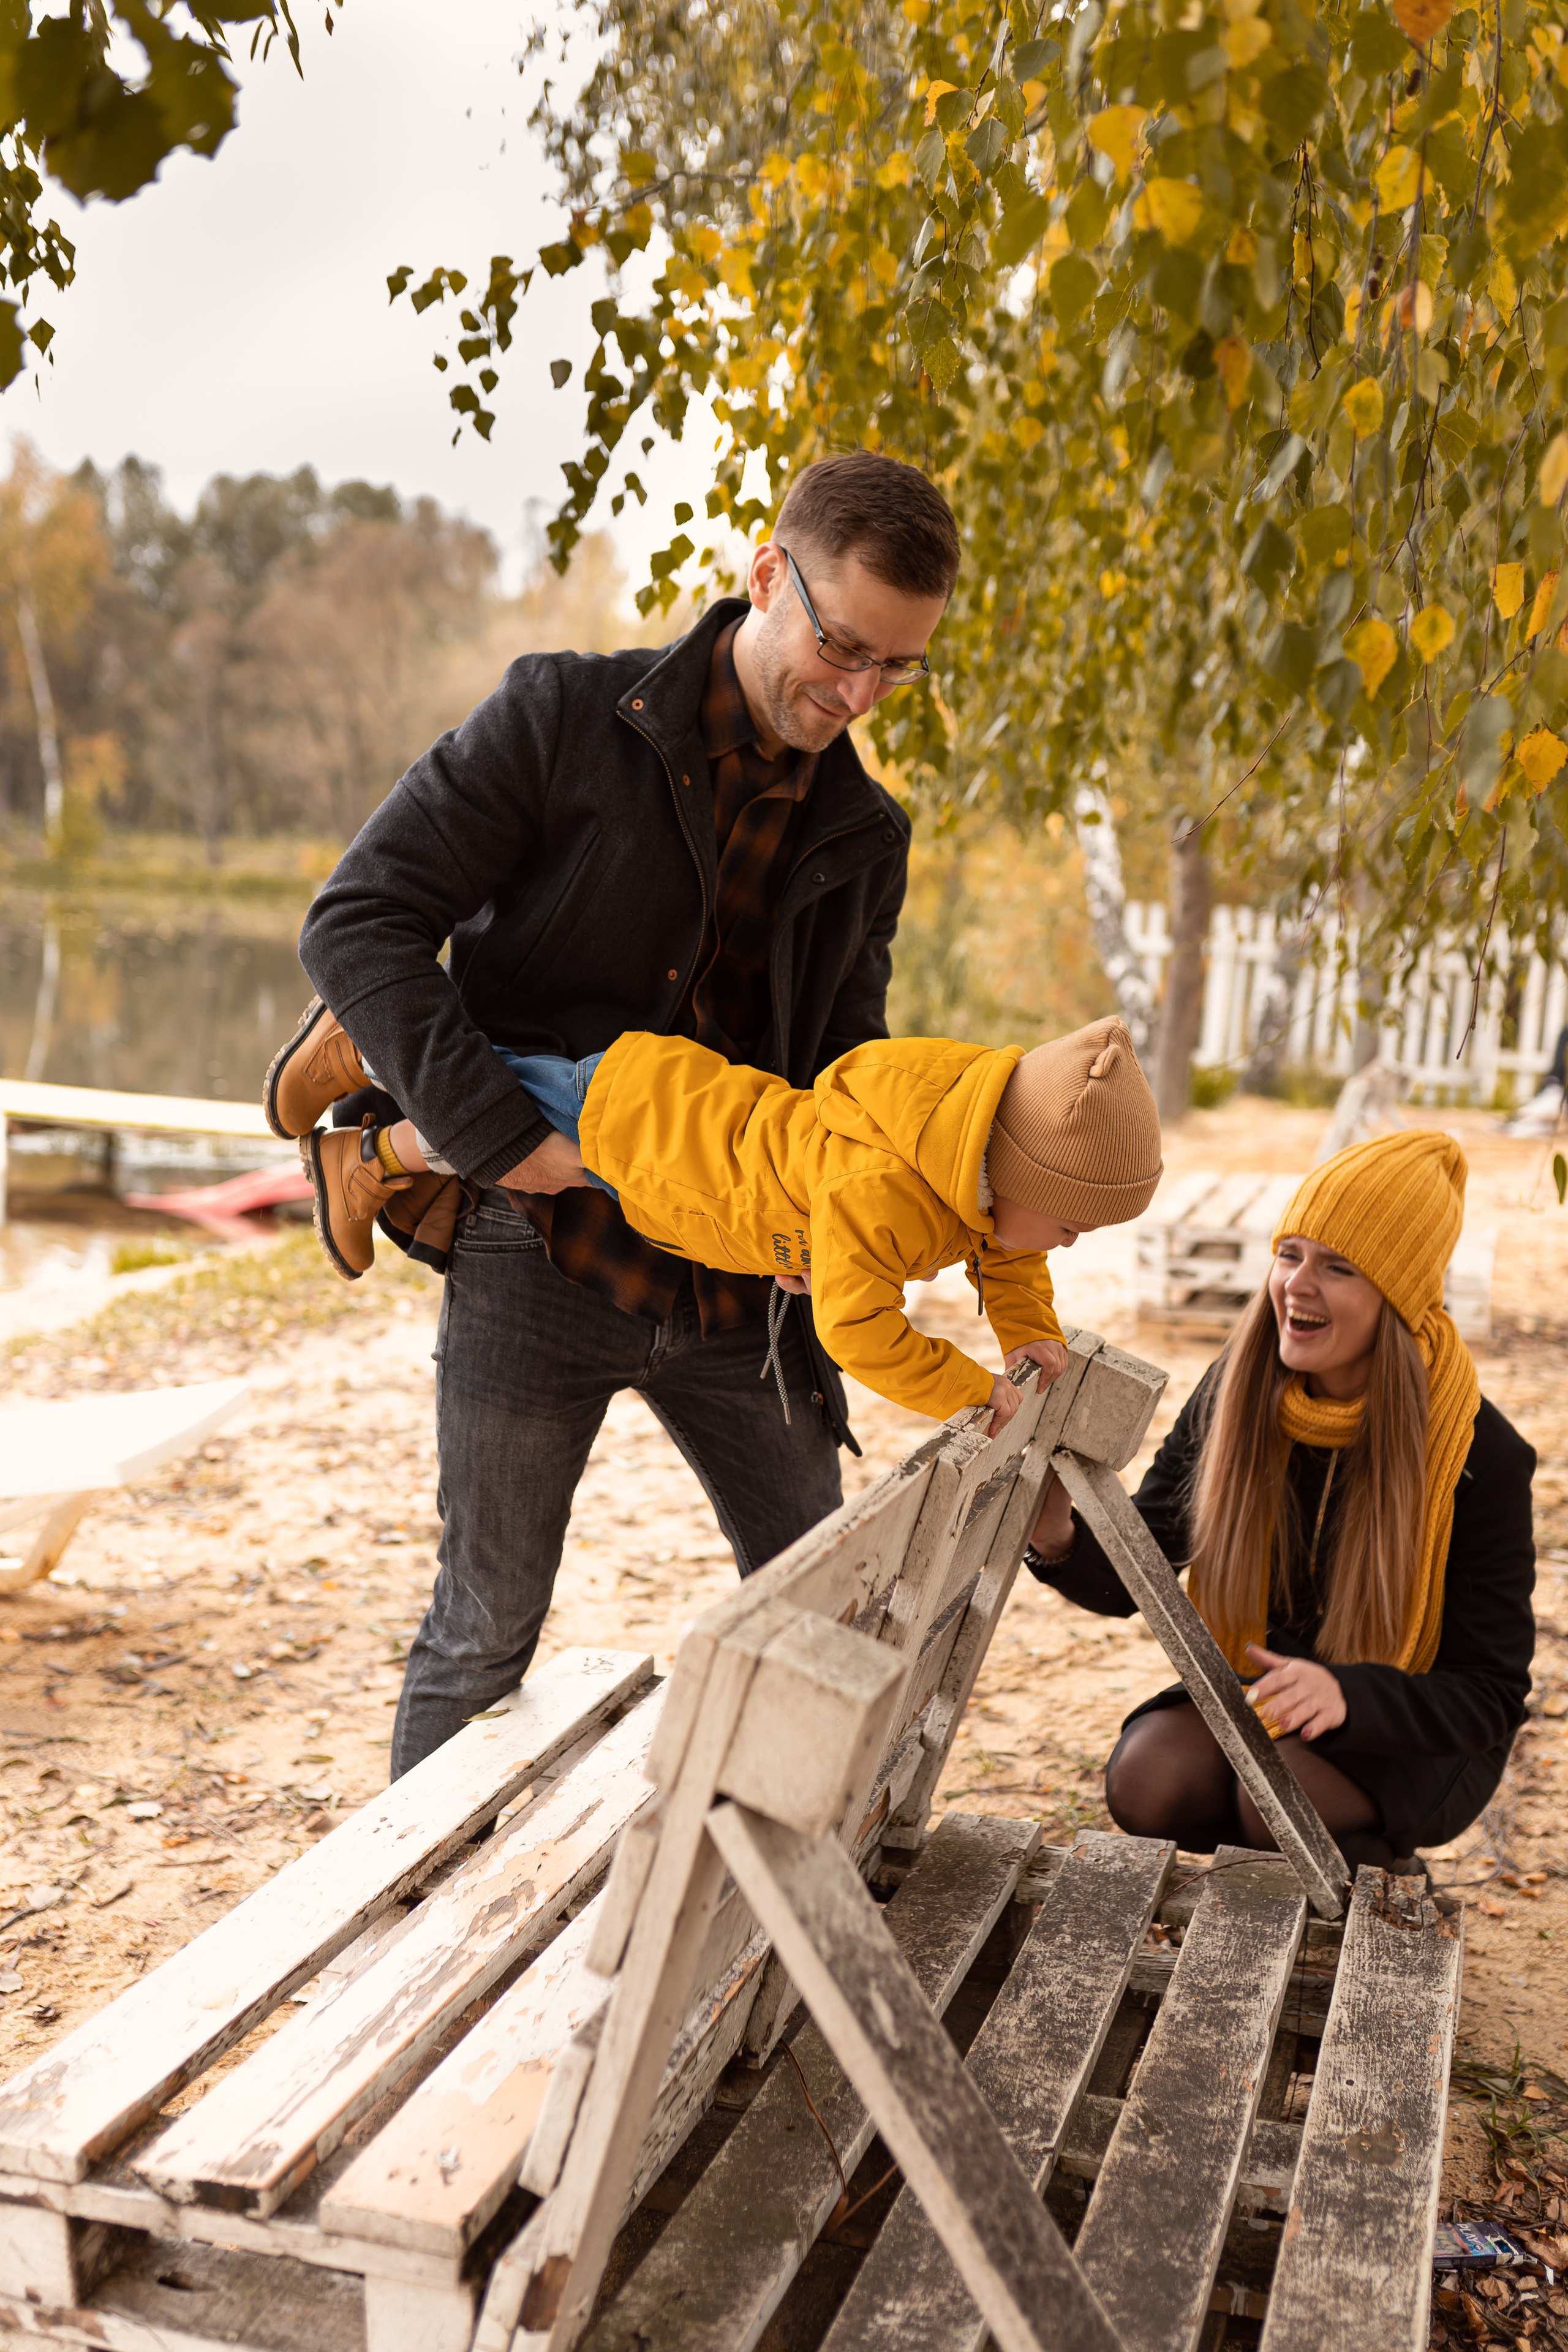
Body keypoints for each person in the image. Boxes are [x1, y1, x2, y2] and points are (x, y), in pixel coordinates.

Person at [274, 451, 960, 1778]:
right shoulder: (560, 716)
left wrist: (854, 1208)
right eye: (840, 646)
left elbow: (841, 1059)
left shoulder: (868, 836)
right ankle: (412, 1933)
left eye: (897, 668)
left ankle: (811, 1915)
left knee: (824, 1615)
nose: (860, 692)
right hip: (538, 1254)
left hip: (742, 1295)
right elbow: (357, 917)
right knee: (480, 1636)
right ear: (768, 575)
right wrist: (498, 1139)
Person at [1023, 1130, 1536, 1869]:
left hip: (1411, 1726)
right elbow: (1146, 1559)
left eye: (1338, 1267)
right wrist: (1061, 1540)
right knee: (1149, 1781)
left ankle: (1378, 1883)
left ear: (1396, 1296)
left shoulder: (1479, 1454)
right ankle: (1281, 1873)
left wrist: (1349, 1695)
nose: (1297, 1283)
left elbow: (1488, 1695)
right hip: (1267, 1694)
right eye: (1289, 1253)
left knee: (1279, 1804)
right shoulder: (1239, 1391)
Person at [274, 1015, 1164, 1433]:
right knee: (492, 1106)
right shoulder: (887, 1189)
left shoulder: (969, 1173)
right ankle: (362, 1043)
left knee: (499, 1113)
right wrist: (973, 1390)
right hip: (655, 1128)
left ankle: (366, 1162)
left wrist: (1029, 1332)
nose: (1074, 1240)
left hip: (680, 1172)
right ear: (1014, 1171)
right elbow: (857, 1329)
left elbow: (1005, 1257)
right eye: (1074, 1220)